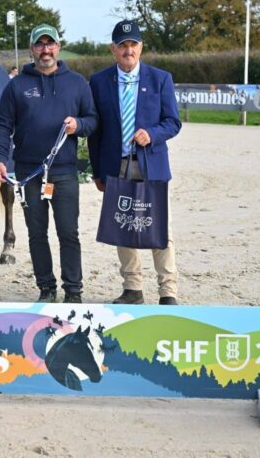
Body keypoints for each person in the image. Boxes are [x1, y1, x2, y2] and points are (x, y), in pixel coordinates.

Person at [0, 24, 97, 303]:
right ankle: (46, 287)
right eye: (40, 44)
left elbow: (93, 119)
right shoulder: (17, 85)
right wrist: (0, 159)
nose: (45, 50)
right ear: (31, 49)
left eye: (50, 44)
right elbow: (2, 125)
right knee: (37, 233)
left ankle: (73, 291)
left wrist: (79, 124)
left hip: (63, 172)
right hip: (29, 174)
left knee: (68, 232)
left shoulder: (76, 83)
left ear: (58, 47)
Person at [87, 20, 182, 305]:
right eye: (123, 45)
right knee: (123, 225)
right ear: (113, 49)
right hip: (116, 166)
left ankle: (168, 290)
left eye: (133, 45)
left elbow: (173, 123)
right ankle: (132, 288)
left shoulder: (160, 78)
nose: (129, 50)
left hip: (151, 164)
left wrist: (151, 134)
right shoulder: (99, 81)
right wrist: (97, 171)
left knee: (158, 226)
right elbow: (96, 131)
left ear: (141, 47)